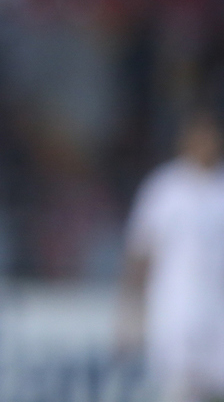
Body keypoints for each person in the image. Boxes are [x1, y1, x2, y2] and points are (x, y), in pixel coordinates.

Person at [120, 108, 224, 402]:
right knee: (179, 393)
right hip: (175, 312)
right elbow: (140, 253)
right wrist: (130, 314)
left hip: (218, 313)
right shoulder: (164, 188)